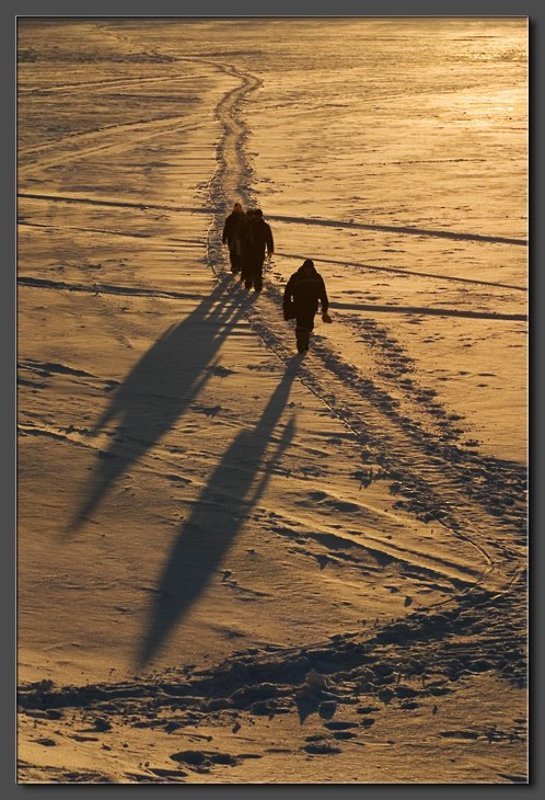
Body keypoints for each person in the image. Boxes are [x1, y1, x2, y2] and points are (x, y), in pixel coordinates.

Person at [283, 259, 331, 353]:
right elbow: (288, 291)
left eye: (310, 268)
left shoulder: (317, 278)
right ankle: (301, 344)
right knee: (301, 325)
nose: (308, 270)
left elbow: (322, 293)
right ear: (304, 267)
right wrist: (287, 303)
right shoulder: (296, 277)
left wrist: (325, 307)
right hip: (299, 305)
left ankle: (305, 342)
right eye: (307, 268)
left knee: (309, 325)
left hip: (312, 306)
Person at [242, 208, 274, 292]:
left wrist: (270, 250)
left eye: (259, 216)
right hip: (248, 251)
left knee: (258, 268)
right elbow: (243, 237)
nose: (257, 218)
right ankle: (248, 283)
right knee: (249, 267)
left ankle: (258, 286)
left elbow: (269, 239)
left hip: (260, 251)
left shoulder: (265, 227)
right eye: (256, 216)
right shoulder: (248, 225)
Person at [222, 202, 245, 274]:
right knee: (233, 253)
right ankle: (234, 266)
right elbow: (226, 229)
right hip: (232, 239)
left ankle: (240, 266)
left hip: (242, 239)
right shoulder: (230, 218)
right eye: (236, 208)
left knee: (241, 253)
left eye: (239, 208)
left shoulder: (245, 218)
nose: (237, 210)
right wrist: (224, 237)